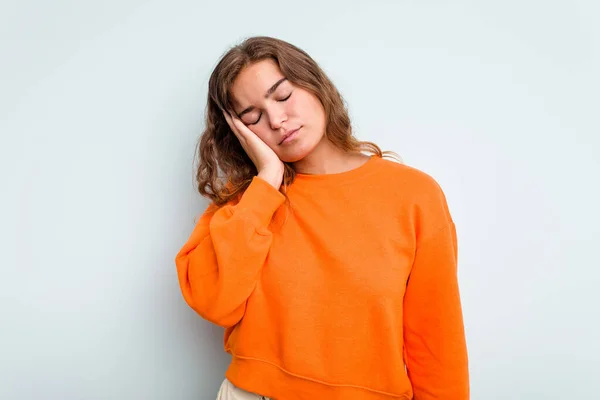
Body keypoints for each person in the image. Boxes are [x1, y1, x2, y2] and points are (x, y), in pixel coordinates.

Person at [175, 36, 469, 400]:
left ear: (313, 83)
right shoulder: (248, 200)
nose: (278, 120)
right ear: (241, 132)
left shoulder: (413, 196)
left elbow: (436, 341)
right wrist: (267, 179)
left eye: (282, 97)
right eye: (253, 117)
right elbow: (212, 300)